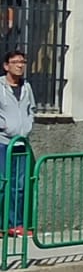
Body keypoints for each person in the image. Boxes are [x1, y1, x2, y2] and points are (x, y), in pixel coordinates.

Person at [0, 48, 34, 235]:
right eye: (16, 62)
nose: (20, 66)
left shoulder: (27, 87)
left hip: (21, 143)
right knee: (2, 184)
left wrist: (28, 125)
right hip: (3, 142)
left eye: (23, 62)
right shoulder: (0, 87)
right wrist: (4, 125)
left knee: (19, 186)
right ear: (6, 66)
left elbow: (31, 109)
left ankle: (16, 224)